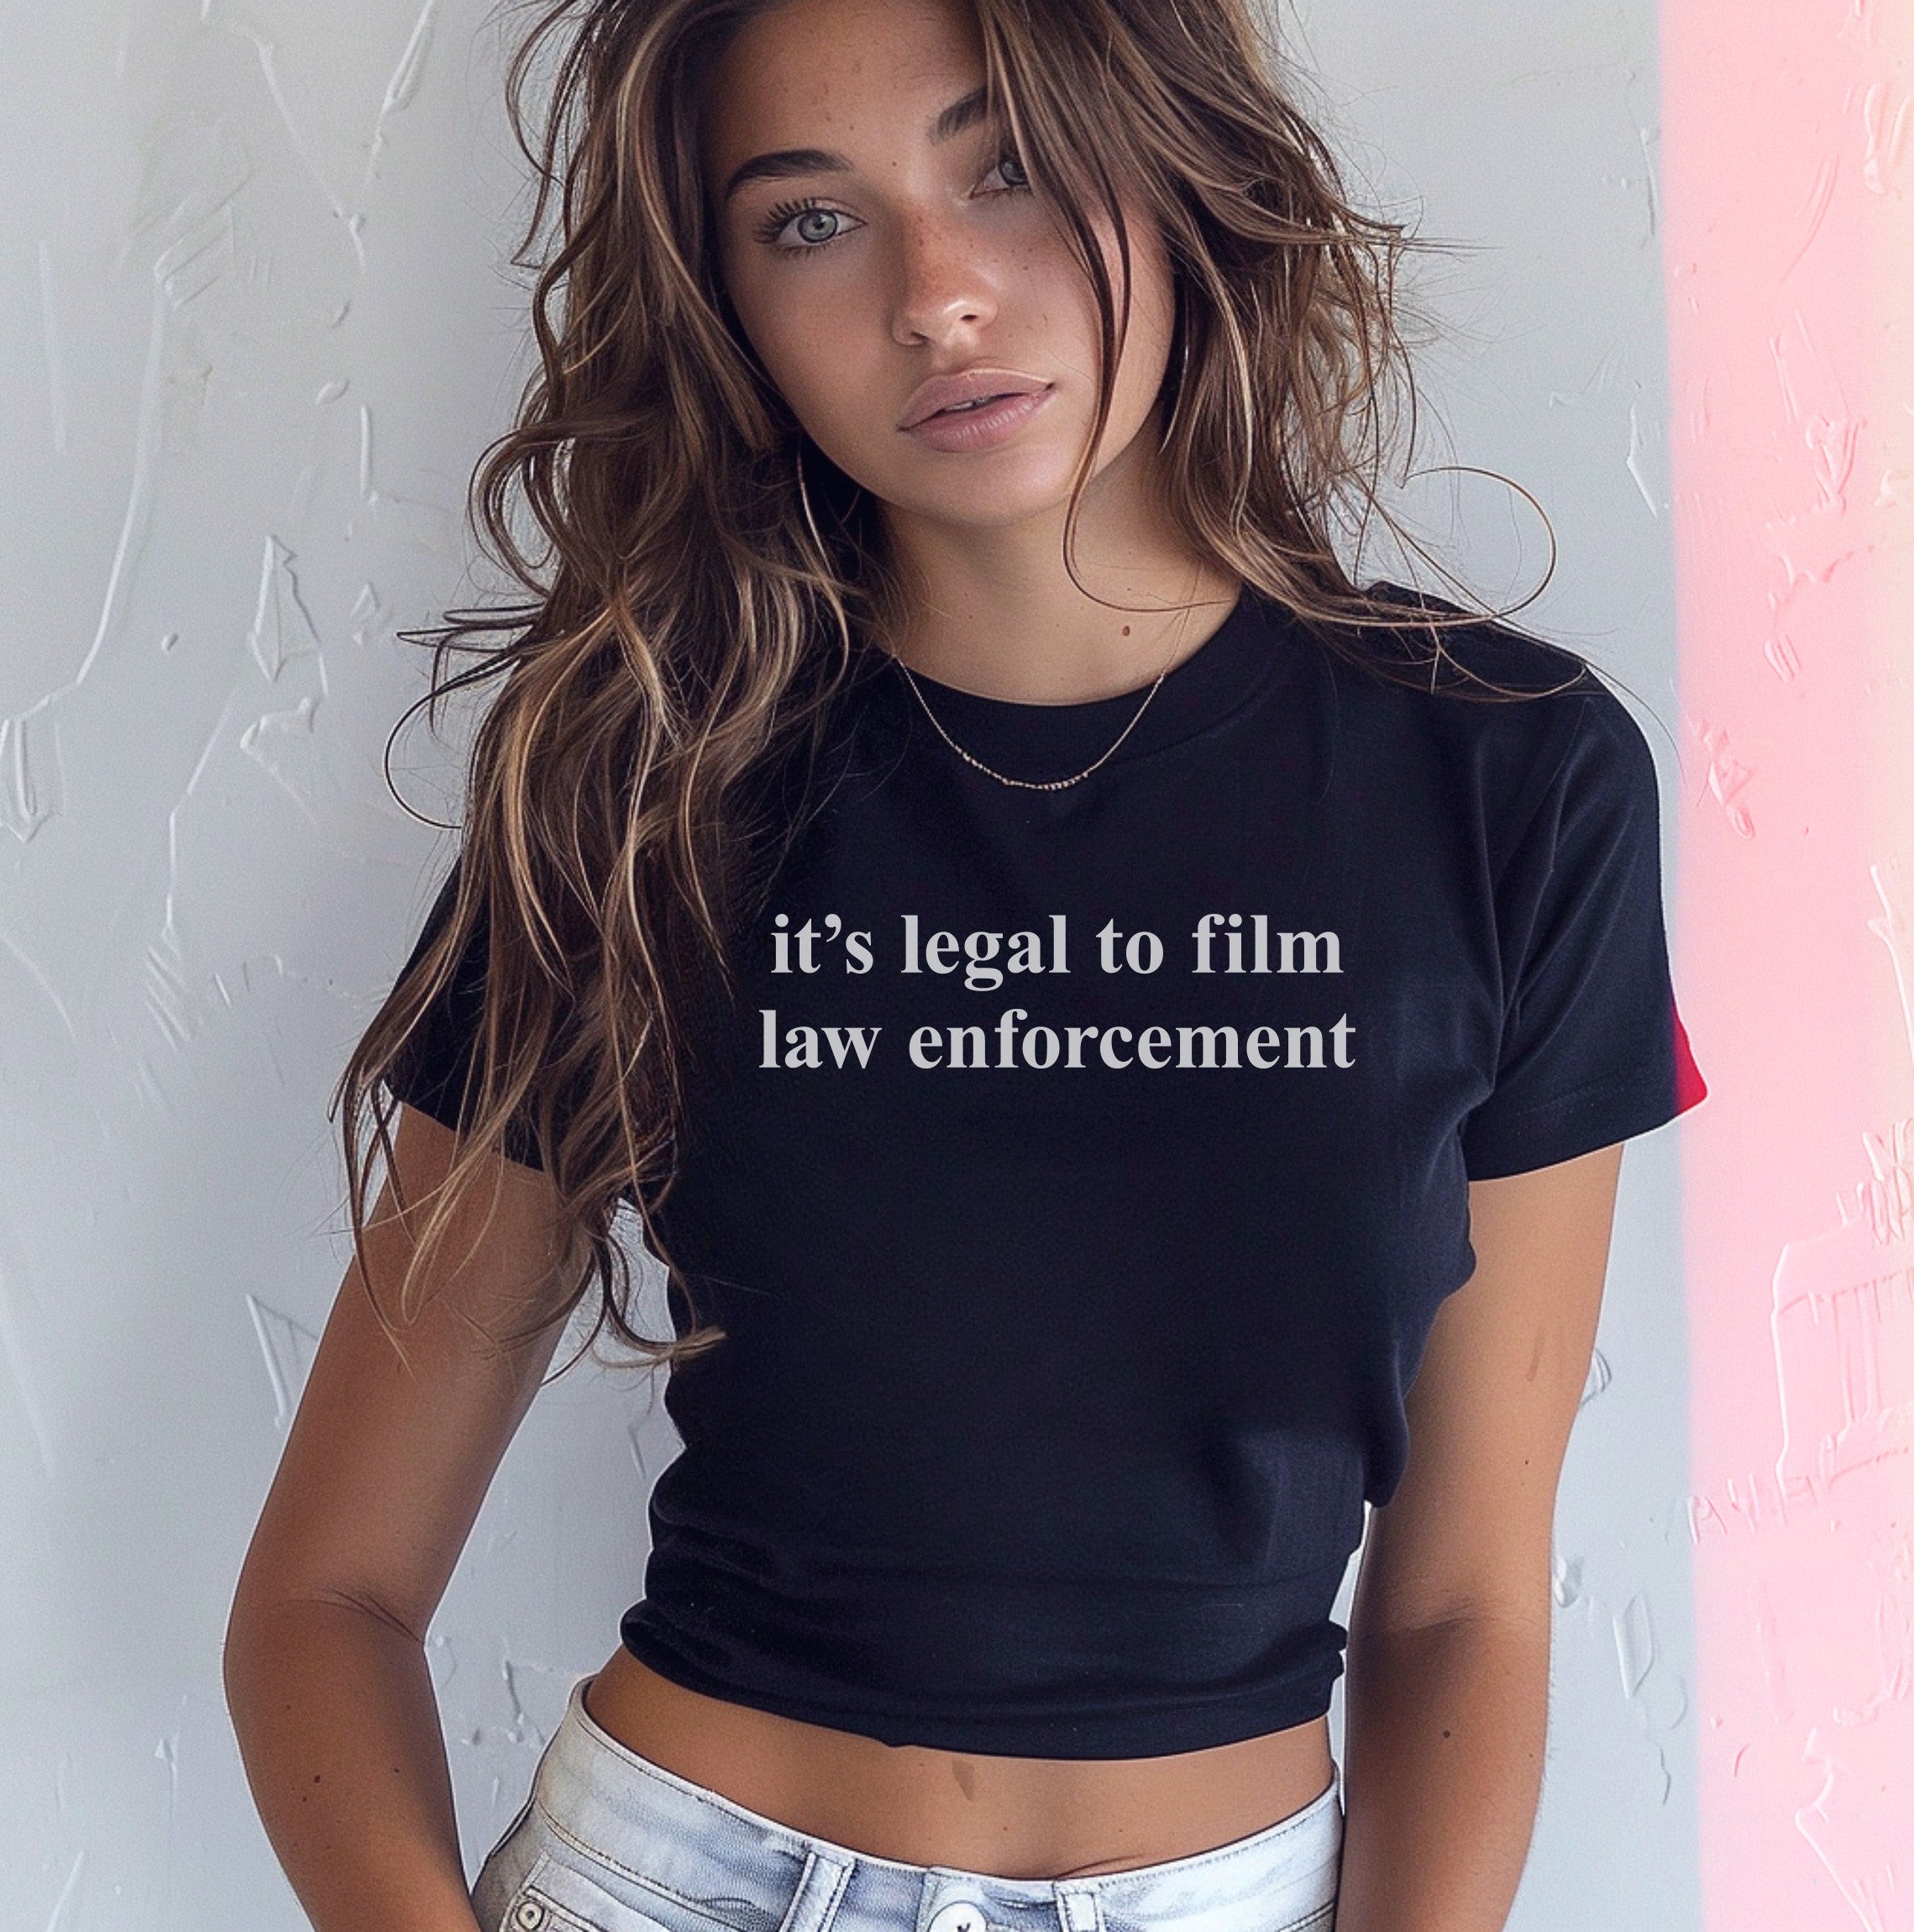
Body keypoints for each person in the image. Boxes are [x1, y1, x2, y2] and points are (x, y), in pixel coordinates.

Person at [222, 1, 1709, 1929]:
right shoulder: (641, 792)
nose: (936, 294)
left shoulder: (1512, 777)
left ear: (1176, 170)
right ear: (731, 312)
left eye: (1004, 164)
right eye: (810, 223)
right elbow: (324, 1598)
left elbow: (1462, 1602)